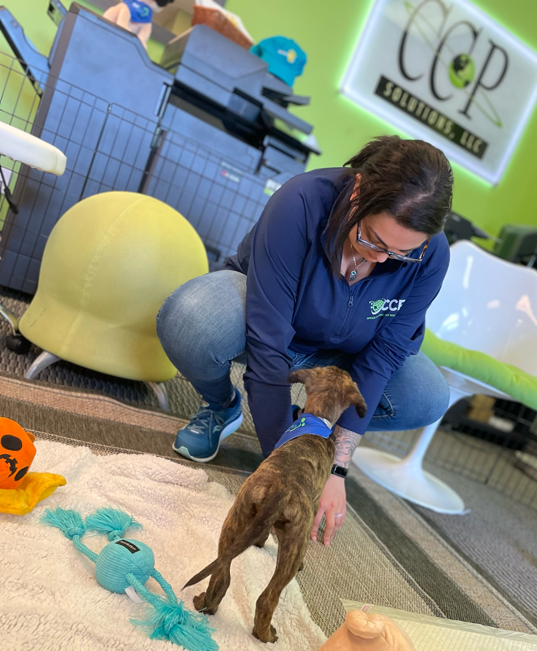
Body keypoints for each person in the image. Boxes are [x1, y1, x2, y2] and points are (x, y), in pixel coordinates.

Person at [156, 136, 453, 547]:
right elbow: (267, 343)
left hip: (345, 351)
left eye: (402, 253)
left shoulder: (431, 256)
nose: (382, 260)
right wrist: (286, 472)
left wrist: (333, 468)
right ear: (358, 190)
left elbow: (382, 358)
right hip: (265, 323)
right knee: (192, 319)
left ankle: (306, 426)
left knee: (428, 395)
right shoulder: (300, 201)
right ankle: (222, 408)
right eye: (372, 240)